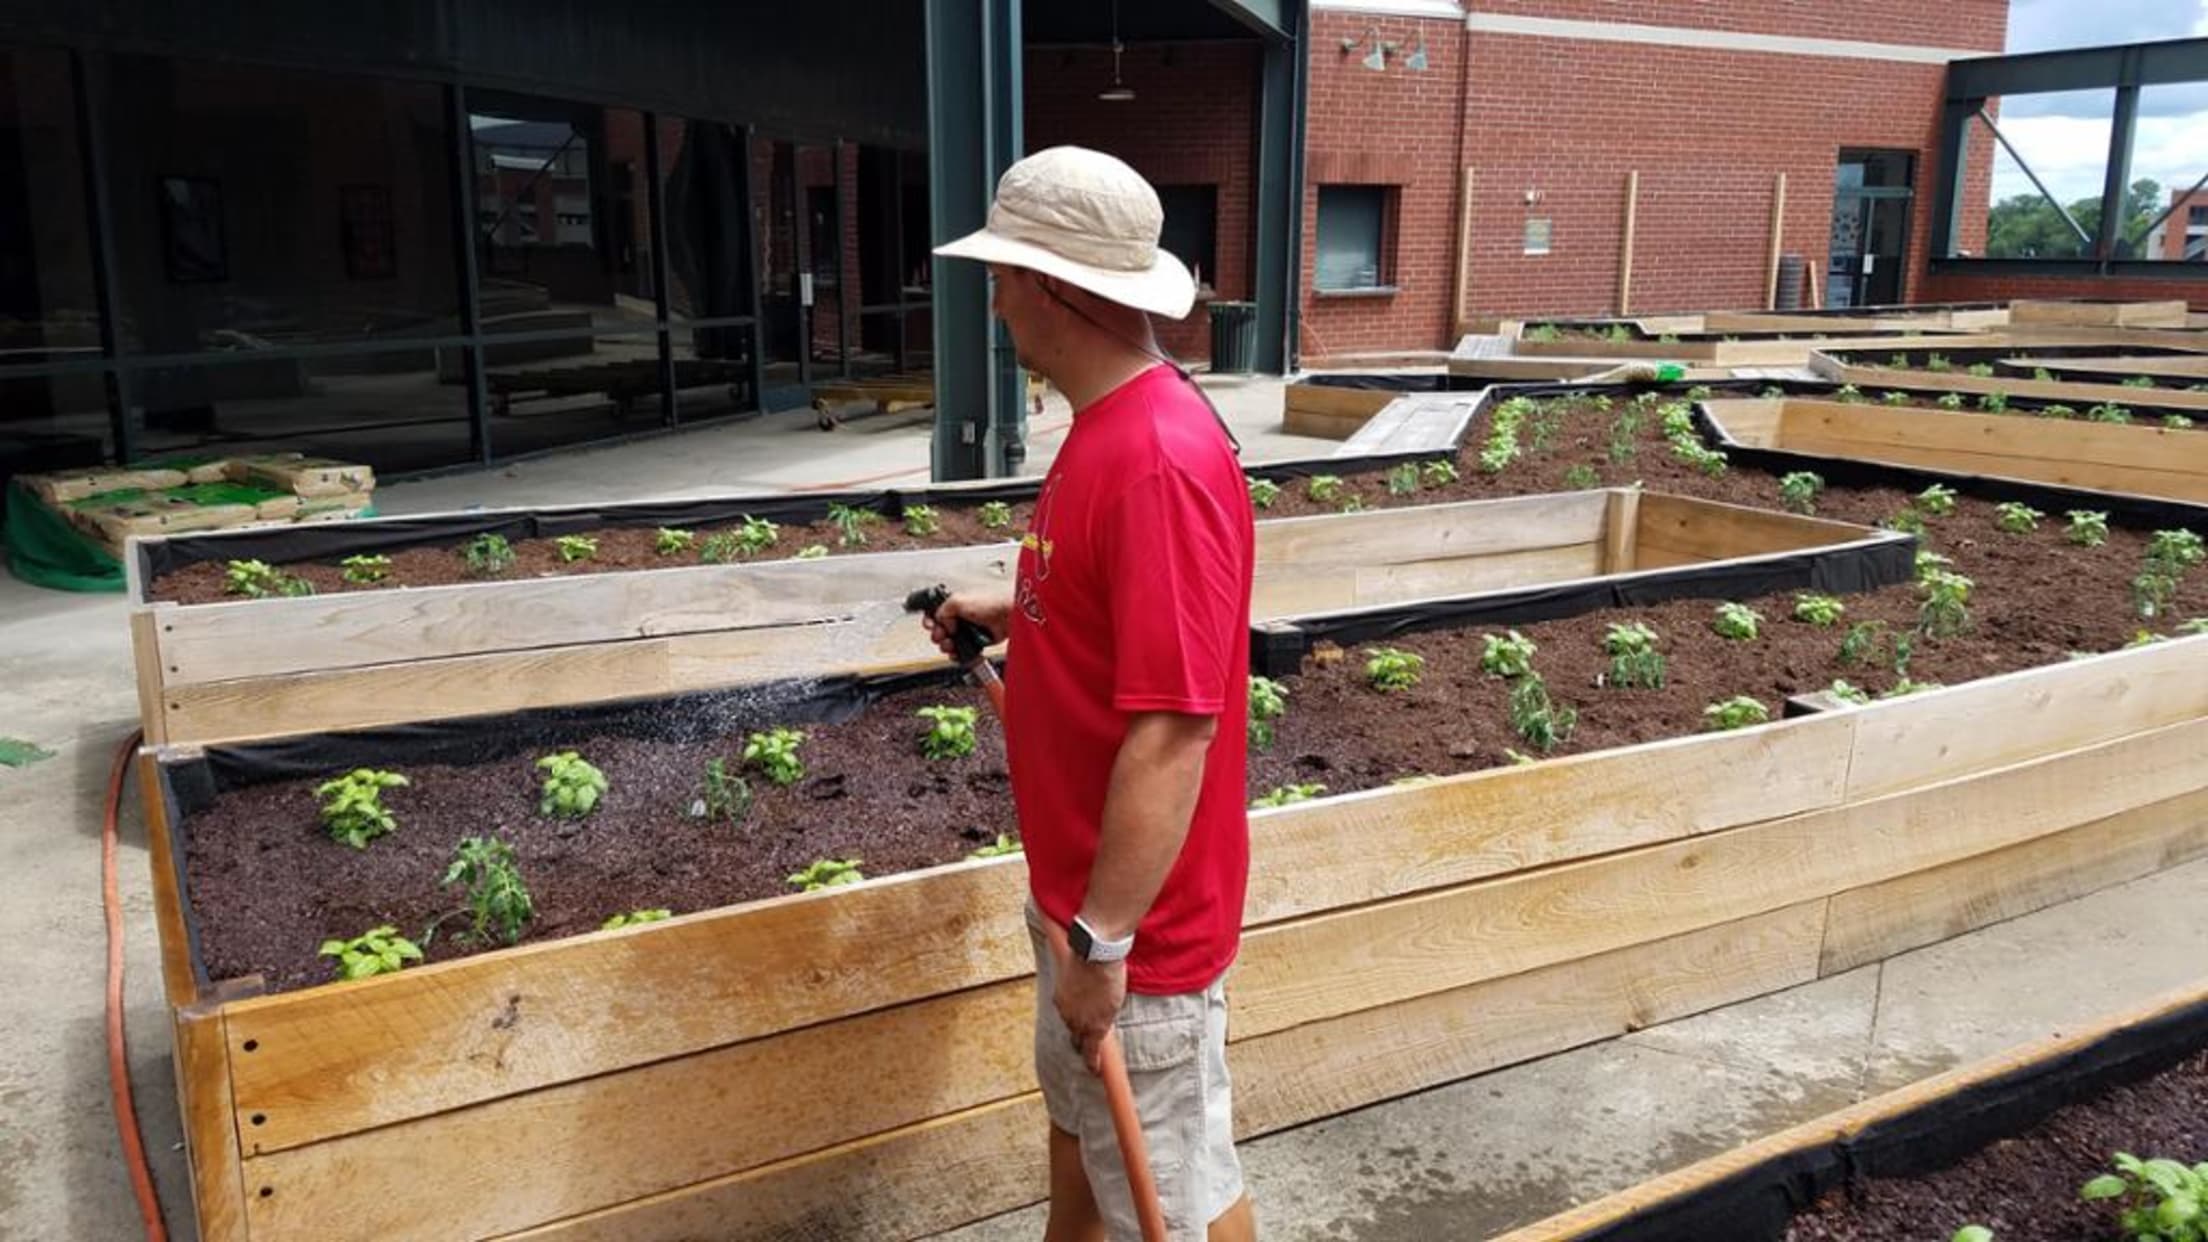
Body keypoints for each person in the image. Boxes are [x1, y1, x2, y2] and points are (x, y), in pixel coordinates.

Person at [924, 146, 1259, 1242]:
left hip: (1136, 938)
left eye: (1005, 271)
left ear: (1059, 288)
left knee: (1177, 1194)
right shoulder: (1104, 430)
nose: (995, 293)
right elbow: (1108, 611)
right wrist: (1007, 604)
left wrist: (1107, 948)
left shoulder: (1157, 459)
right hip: (1078, 906)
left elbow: (1173, 732)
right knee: (1086, 1146)